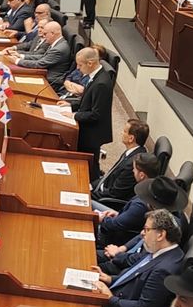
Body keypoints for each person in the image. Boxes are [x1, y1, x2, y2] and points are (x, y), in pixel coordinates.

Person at [93, 209, 183, 307]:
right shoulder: (159, 250)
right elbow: (134, 277)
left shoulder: (164, 269)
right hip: (116, 294)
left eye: (147, 229)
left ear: (161, 235)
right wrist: (110, 279)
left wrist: (110, 299)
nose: (142, 233)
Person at [59, 47, 114, 180]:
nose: (77, 68)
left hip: (92, 132)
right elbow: (87, 101)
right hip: (88, 126)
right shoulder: (94, 76)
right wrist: (71, 105)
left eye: (80, 64)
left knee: (89, 164)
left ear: (90, 63)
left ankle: (92, 187)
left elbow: (96, 114)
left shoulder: (101, 83)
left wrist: (74, 116)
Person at [96, 153, 162, 248]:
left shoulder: (141, 204)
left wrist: (101, 219)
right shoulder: (152, 187)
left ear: (142, 175)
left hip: (113, 236)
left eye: (134, 169)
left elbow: (115, 224)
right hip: (119, 218)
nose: (132, 171)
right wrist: (118, 214)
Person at [92, 119, 150, 206]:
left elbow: (115, 193)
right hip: (105, 186)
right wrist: (90, 185)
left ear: (131, 138)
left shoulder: (132, 164)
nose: (121, 133)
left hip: (107, 200)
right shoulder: (133, 152)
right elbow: (111, 175)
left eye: (124, 131)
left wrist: (89, 194)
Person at [11, 21, 72, 88]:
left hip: (50, 81)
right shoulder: (57, 43)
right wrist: (21, 56)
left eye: (45, 34)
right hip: (43, 73)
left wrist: (18, 61)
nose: (43, 36)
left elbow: (40, 64)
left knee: (17, 84)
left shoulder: (58, 49)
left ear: (52, 33)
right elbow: (43, 57)